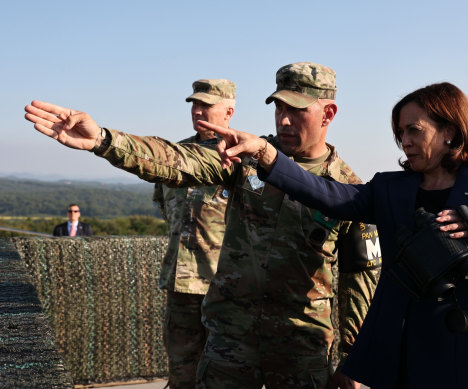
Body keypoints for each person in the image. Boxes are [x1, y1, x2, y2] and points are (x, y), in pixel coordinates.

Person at [24, 62, 381, 389]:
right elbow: (178, 161)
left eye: (297, 110)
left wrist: (353, 364)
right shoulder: (245, 158)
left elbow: (359, 285)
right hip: (230, 343)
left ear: (328, 113)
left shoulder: (349, 191)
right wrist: (103, 140)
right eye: (279, 108)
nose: (284, 120)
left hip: (300, 349)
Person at [199, 82, 468, 389]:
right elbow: (330, 195)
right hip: (394, 350)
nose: (405, 142)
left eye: (414, 130)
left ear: (450, 130)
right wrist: (267, 154)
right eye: (400, 133)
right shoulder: (390, 187)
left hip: (459, 348)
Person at [152, 79, 235, 389]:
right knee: (182, 375)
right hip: (181, 284)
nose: (197, 111)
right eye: (194, 105)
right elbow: (166, 208)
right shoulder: (175, 155)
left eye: (206, 105)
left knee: (225, 376)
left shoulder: (245, 157)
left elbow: (261, 206)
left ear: (229, 110)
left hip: (224, 287)